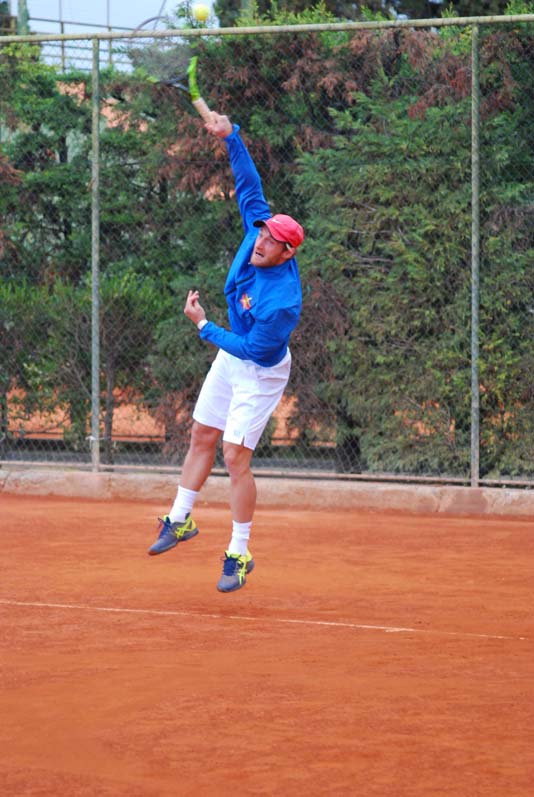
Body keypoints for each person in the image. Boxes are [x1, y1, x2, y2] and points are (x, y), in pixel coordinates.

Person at [147, 111, 304, 593]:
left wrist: (204, 326)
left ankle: (239, 551)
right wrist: (231, 136)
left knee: (235, 455)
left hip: (260, 369)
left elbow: (251, 350)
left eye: (273, 241)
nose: (262, 241)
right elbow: (249, 183)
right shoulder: (258, 230)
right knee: (202, 434)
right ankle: (180, 520)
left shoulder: (282, 303)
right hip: (231, 353)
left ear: (288, 253)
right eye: (263, 233)